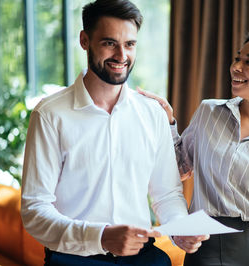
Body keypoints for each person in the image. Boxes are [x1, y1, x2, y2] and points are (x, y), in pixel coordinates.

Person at [20, 1, 207, 265]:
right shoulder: (50, 115)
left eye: (129, 44)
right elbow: (34, 211)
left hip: (144, 258)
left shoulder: (152, 114)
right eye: (110, 43)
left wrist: (180, 230)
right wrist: (101, 237)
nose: (121, 55)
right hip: (74, 260)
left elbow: (166, 194)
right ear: (85, 40)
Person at [138, 32, 249, 266]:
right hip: (202, 251)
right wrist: (168, 123)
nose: (236, 67)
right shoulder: (208, 112)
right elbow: (178, 167)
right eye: (237, 59)